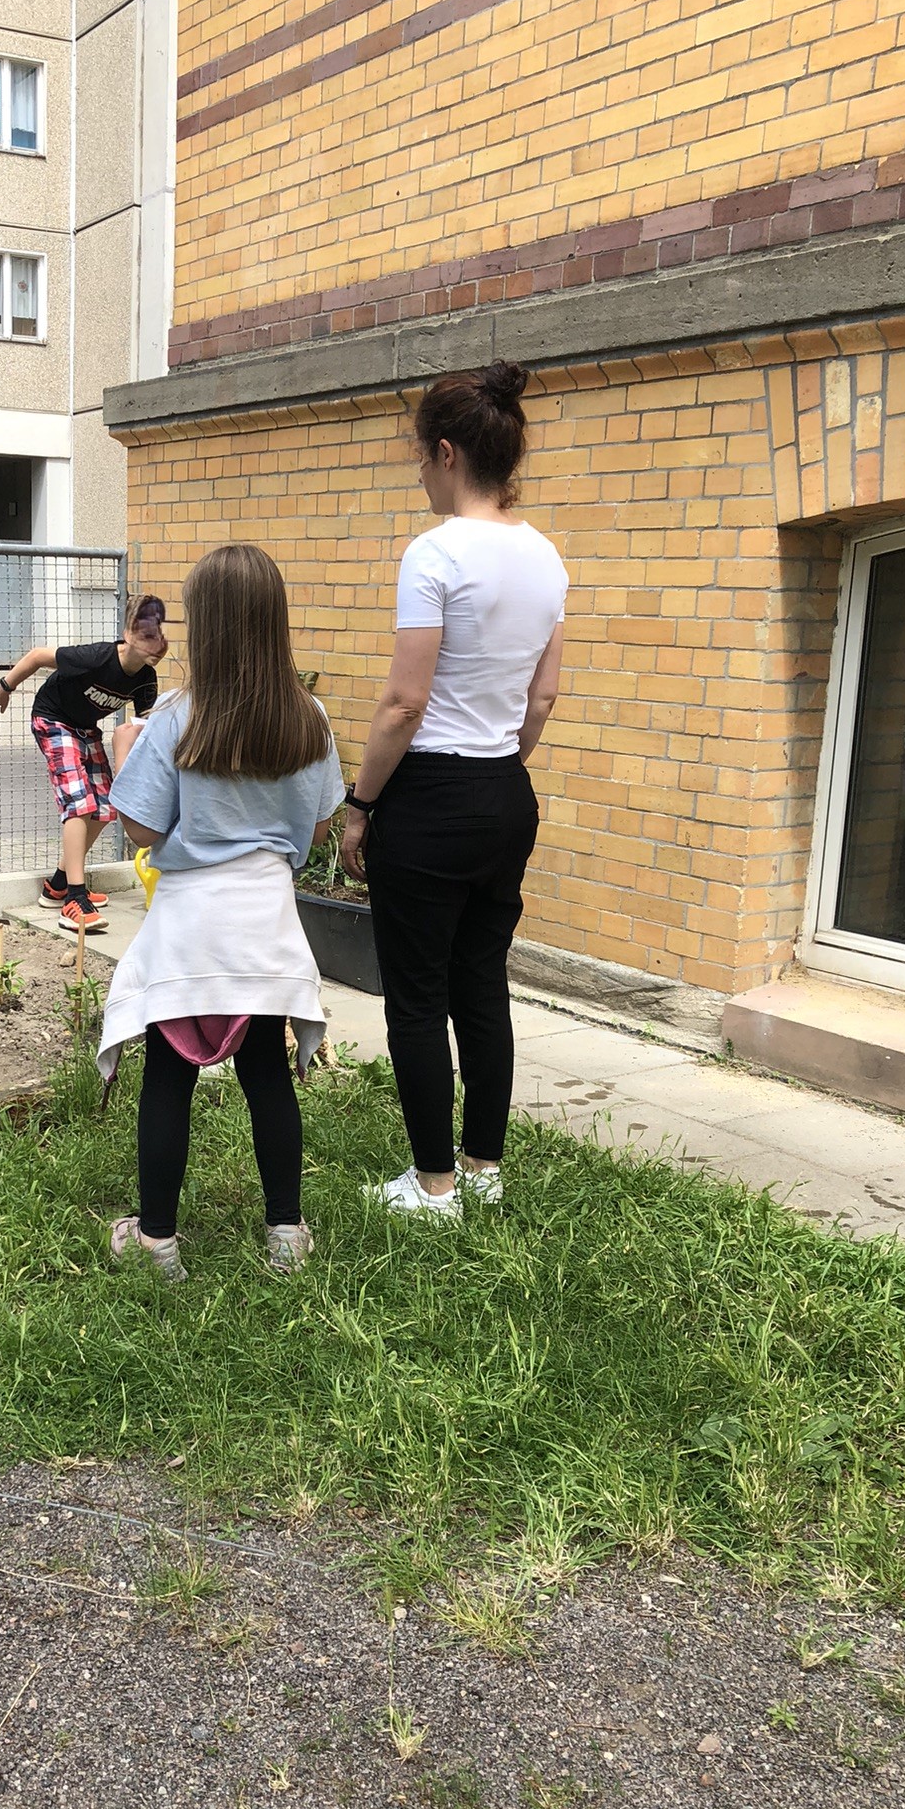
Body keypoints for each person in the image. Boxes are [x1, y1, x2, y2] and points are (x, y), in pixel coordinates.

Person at [341, 362, 567, 1215]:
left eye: (420, 459)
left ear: (445, 453)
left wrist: (360, 806)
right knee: (481, 981)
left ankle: (433, 1184)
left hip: (430, 798)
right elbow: (542, 698)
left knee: (416, 995)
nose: (420, 475)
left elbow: (404, 703)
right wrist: (502, 764)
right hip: (506, 792)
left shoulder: (434, 553)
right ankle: (482, 1169)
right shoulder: (546, 557)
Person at [96, 543, 345, 1279]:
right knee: (266, 1074)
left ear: (204, 624)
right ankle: (286, 1234)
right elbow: (318, 829)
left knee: (168, 1077)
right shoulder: (310, 718)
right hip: (266, 924)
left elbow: (140, 828)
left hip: (190, 926)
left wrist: (127, 759)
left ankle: (157, 1243)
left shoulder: (176, 716)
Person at [0, 595, 168, 936]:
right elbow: (37, 656)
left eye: (160, 634)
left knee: (106, 805)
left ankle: (58, 885)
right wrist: (4, 687)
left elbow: (146, 729)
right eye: (147, 635)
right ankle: (75, 898)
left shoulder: (146, 679)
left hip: (84, 729)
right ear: (128, 635)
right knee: (79, 802)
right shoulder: (97, 658)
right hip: (53, 719)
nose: (157, 644)